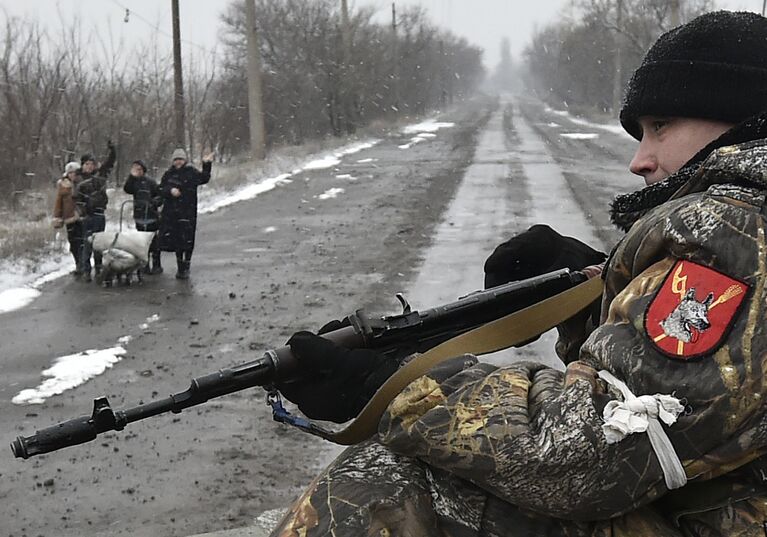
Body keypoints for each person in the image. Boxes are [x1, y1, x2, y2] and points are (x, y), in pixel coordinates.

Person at [270, 11, 767, 536]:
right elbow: (687, 406)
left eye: (659, 127)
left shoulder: (736, 231)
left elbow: (593, 454)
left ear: (739, 116)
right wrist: (598, 303)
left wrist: (398, 387)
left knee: (383, 482)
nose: (639, 160)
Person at [159, 148, 214, 279]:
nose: (178, 162)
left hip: (188, 211)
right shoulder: (168, 174)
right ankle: (180, 267)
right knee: (177, 240)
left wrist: (207, 164)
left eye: (180, 159)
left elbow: (204, 178)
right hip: (172, 213)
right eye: (176, 160)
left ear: (185, 160)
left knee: (188, 240)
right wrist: (170, 190)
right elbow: (161, 188)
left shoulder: (191, 172)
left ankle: (187, 265)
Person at [75, 145, 114, 282]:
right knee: (87, 243)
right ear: (83, 165)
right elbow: (76, 199)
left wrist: (112, 151)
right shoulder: (79, 180)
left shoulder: (99, 176)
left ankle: (98, 268)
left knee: (99, 243)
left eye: (92, 164)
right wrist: (83, 212)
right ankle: (86, 270)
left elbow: (109, 164)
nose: (89, 167)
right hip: (88, 216)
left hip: (99, 214)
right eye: (87, 164)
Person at [123, 160, 163, 274]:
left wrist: (154, 203)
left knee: (154, 242)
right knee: (142, 242)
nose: (137, 171)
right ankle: (145, 264)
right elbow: (127, 189)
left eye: (139, 169)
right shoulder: (133, 182)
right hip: (139, 215)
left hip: (152, 216)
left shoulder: (151, 182)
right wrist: (131, 177)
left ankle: (157, 264)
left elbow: (160, 196)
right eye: (135, 169)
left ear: (143, 170)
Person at [52, 161, 84, 276]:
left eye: (74, 173)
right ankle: (78, 264)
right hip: (69, 218)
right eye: (70, 173)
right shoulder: (63, 185)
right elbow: (59, 202)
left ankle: (83, 264)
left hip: (82, 217)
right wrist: (57, 216)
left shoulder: (83, 183)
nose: (72, 175)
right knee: (73, 242)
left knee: (83, 241)